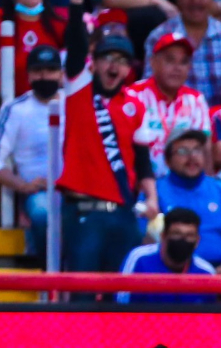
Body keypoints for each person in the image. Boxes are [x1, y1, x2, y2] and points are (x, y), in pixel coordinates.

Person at [58, 0, 158, 275]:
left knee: (121, 295)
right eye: (109, 58)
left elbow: (142, 160)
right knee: (82, 295)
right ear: (96, 62)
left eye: (123, 61)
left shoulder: (136, 106)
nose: (116, 66)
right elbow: (76, 48)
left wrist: (152, 198)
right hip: (84, 211)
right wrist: (77, 9)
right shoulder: (79, 88)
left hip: (123, 214)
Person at [0, 45, 62, 260]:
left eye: (51, 69)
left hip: (76, 192)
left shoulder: (77, 105)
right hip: (39, 193)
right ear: (29, 75)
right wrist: (22, 185)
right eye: (38, 70)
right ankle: (49, 276)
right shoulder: (15, 109)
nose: (44, 75)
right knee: (43, 214)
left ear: (61, 74)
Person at [127, 32, 213, 176]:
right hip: (141, 185)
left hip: (184, 186)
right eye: (170, 60)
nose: (177, 68)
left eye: (183, 62)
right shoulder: (133, 95)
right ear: (153, 62)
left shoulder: (196, 100)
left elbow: (205, 150)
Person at [155, 128, 221, 265]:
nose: (192, 157)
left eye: (197, 150)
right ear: (167, 160)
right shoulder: (155, 191)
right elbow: (147, 239)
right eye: (183, 151)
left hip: (218, 272)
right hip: (170, 271)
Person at [144, 0, 221, 106]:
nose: (196, 2)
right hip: (172, 118)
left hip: (220, 119)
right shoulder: (159, 36)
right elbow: (149, 88)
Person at [117, 207, 217, 304]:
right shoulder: (139, 259)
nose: (183, 240)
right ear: (163, 236)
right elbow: (121, 304)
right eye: (177, 234)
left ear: (197, 241)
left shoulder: (206, 272)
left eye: (189, 235)